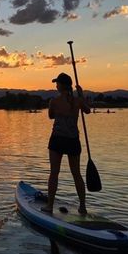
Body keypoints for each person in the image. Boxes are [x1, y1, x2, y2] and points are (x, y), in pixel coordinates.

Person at [42, 72, 90, 215]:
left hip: (57, 139)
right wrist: (81, 95)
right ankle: (82, 207)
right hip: (73, 140)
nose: (56, 85)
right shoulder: (78, 101)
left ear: (61, 85)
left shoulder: (54, 101)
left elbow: (51, 116)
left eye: (57, 83)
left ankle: (49, 206)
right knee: (76, 174)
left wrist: (54, 109)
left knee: (54, 173)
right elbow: (87, 110)